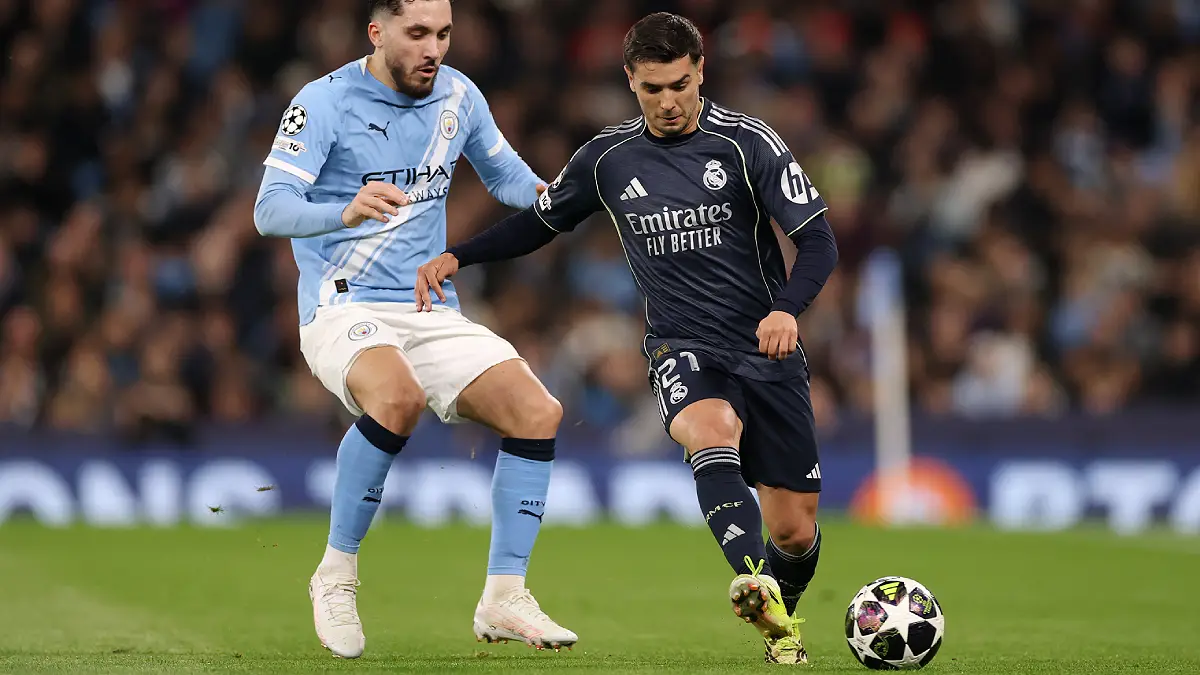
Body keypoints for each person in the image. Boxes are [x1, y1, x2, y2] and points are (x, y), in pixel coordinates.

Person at [415, 12, 837, 665]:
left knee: (796, 526)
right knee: (709, 427)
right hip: (681, 344)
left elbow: (818, 241)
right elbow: (541, 222)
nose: (667, 102)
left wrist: (786, 309)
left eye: (678, 85)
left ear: (701, 72)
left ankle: (779, 610)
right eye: (651, 89)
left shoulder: (747, 143)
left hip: (767, 346)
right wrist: (459, 255)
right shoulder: (608, 158)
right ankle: (752, 579)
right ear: (629, 82)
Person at [253, 0, 577, 659]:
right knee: (396, 399)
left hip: (429, 306)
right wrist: (341, 211)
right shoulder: (324, 102)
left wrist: (558, 195)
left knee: (537, 411)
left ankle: (504, 595)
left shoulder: (459, 95)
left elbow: (505, 175)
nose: (435, 47)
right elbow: (269, 209)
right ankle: (336, 573)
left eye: (444, 33)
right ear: (378, 33)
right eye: (418, 33)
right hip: (341, 303)